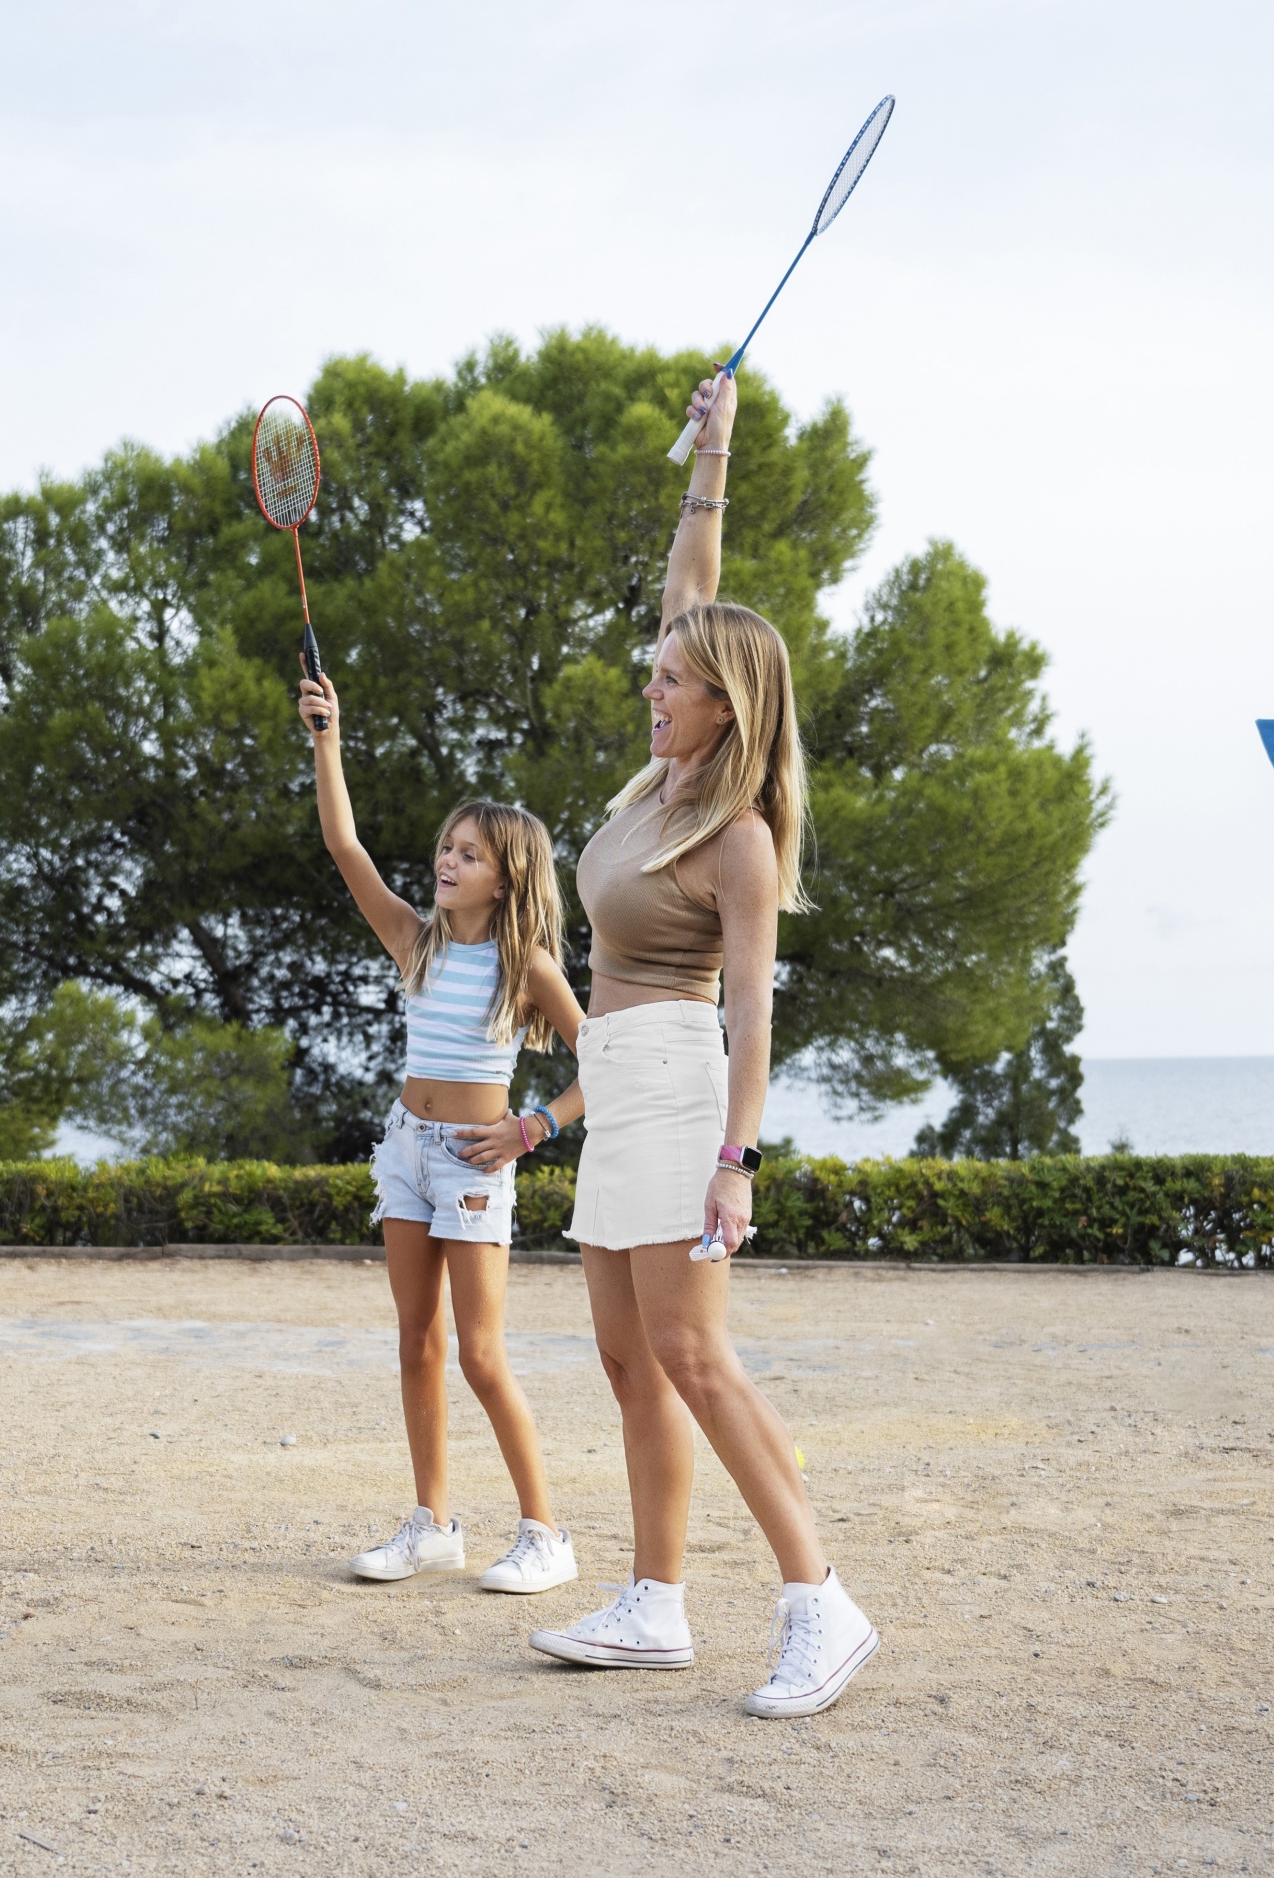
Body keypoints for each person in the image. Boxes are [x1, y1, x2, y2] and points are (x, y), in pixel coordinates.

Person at [525, 371, 879, 1718]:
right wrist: (711, 451)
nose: (651, 683)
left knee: (692, 1356)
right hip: (619, 1089)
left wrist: (737, 1160)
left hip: (681, 1088)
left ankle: (819, 1601)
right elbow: (694, 580)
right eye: (657, 669)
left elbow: (752, 1011)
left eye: (671, 677)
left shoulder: (735, 838)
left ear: (724, 702)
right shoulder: (654, 788)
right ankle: (655, 1603)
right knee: (630, 1361)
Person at [295, 670, 587, 1596]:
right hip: (405, 1152)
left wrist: (534, 1126)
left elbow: (603, 1063)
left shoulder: (527, 964)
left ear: (507, 877)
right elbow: (343, 845)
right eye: (445, 848)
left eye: (468, 854)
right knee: (415, 1341)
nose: (446, 862)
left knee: (480, 1354)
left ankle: (546, 1533)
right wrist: (328, 740)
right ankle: (432, 1527)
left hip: (472, 1162)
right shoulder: (414, 939)